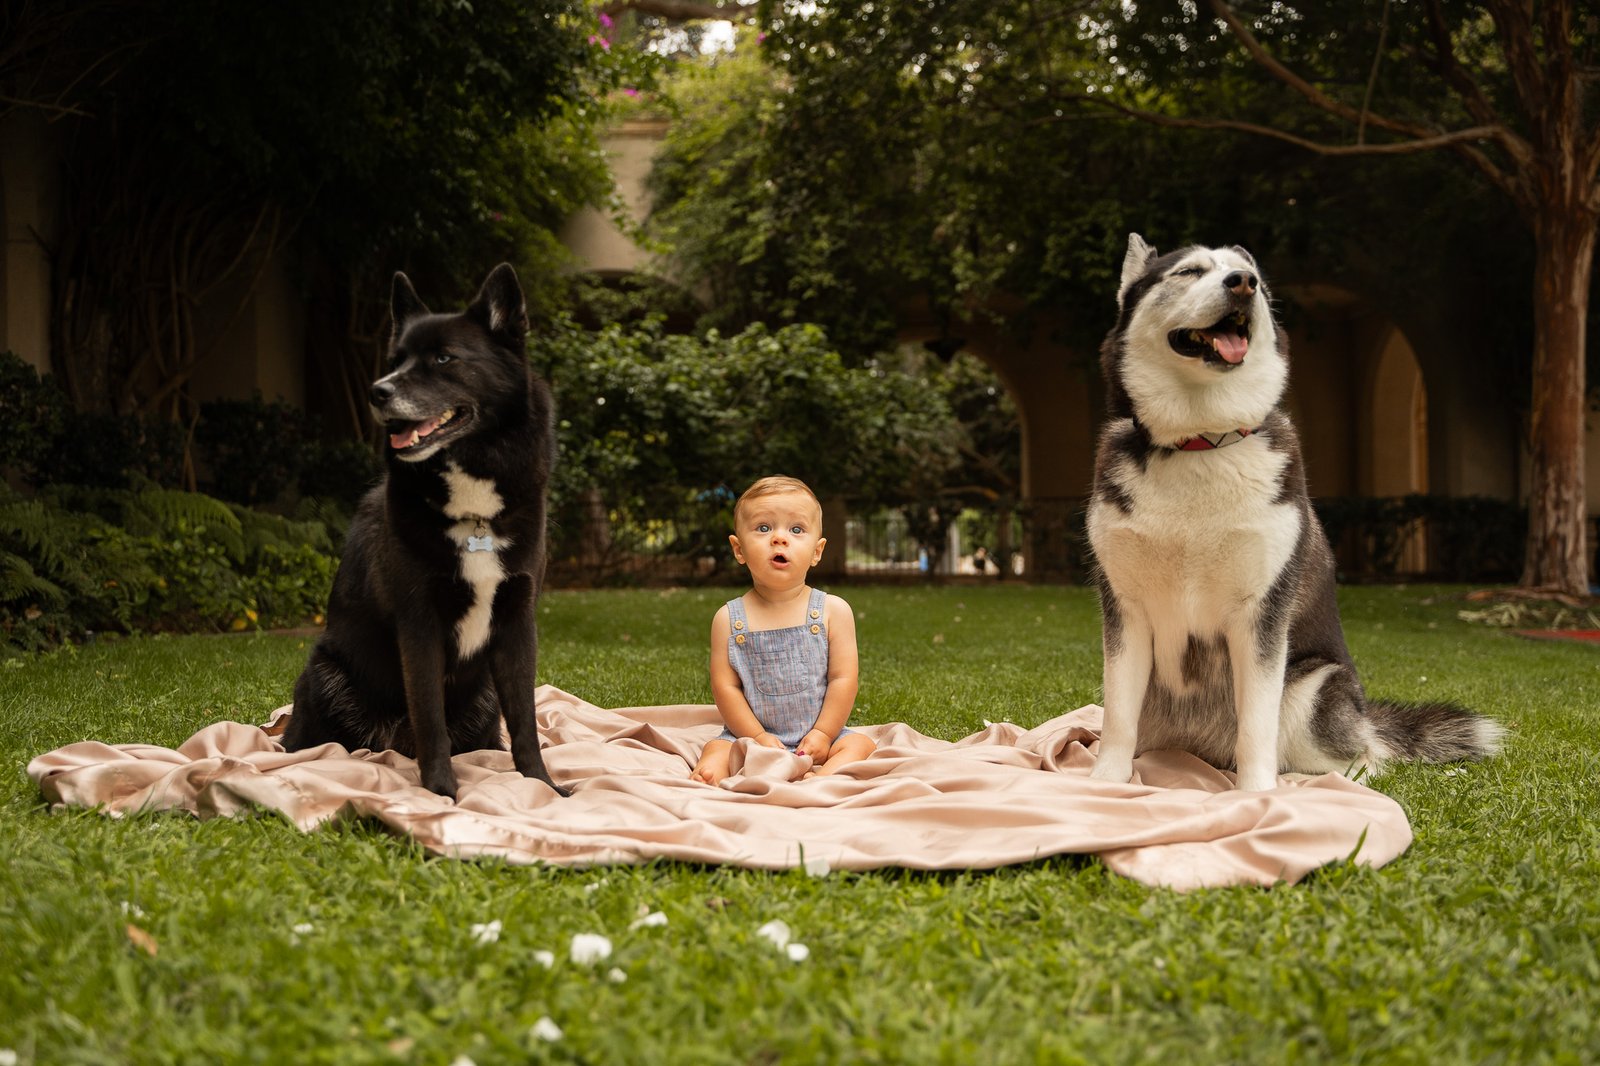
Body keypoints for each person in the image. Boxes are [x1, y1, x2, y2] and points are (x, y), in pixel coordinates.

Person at [690, 476, 877, 785]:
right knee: (717, 747)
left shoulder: (832, 611)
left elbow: (843, 679)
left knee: (859, 745)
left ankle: (822, 779)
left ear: (817, 552)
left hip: (819, 735)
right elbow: (727, 689)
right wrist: (757, 736)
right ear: (739, 549)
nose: (779, 538)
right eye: (763, 528)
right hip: (751, 735)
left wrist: (823, 733)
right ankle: (710, 775)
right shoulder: (729, 618)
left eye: (796, 530)